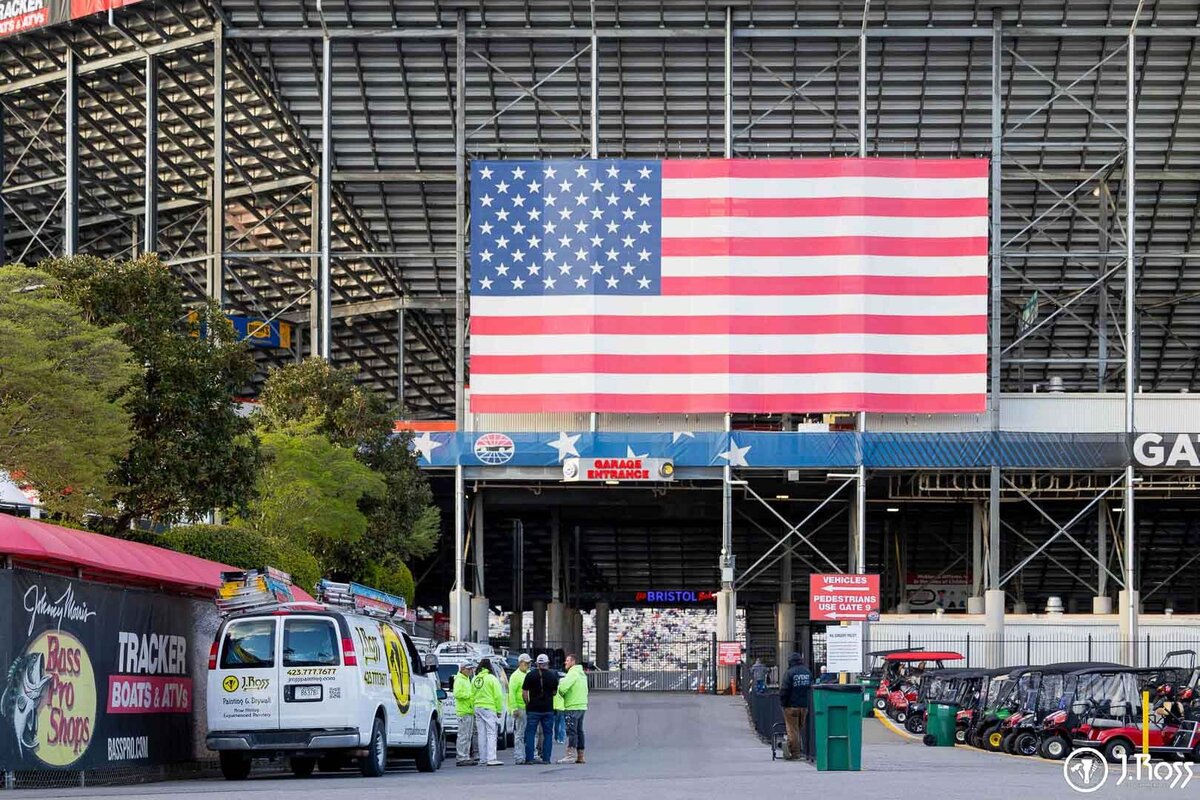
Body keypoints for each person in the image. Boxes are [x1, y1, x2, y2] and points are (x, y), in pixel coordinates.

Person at [523, 653, 559, 764]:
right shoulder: (553, 675)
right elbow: (554, 692)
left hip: (533, 709)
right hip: (548, 709)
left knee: (530, 733)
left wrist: (528, 703)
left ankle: (529, 758)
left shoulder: (530, 675)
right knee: (548, 734)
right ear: (547, 663)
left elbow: (524, 692)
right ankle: (546, 758)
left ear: (537, 664)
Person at [779, 651, 812, 761]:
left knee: (792, 731)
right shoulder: (807, 672)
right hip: (804, 706)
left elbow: (784, 690)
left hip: (791, 706)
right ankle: (803, 750)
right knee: (798, 728)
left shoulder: (789, 673)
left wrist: (783, 703)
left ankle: (794, 753)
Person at [557, 653, 589, 764]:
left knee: (571, 731)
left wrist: (560, 691)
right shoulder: (581, 674)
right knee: (579, 731)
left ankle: (569, 755)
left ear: (573, 662)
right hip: (581, 705)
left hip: (572, 705)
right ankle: (580, 756)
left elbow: (563, 687)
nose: (565, 662)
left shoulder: (572, 673)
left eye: (567, 660)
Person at [472, 658, 504, 767]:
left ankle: (483, 758)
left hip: (477, 707)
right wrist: (499, 710)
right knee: (491, 733)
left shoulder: (475, 679)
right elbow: (498, 695)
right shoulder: (492, 678)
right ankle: (492, 758)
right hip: (489, 708)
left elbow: (472, 694)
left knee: (481, 734)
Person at [452, 660, 478, 766]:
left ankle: (465, 756)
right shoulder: (459, 680)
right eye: (468, 669)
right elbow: (457, 693)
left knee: (467, 735)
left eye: (471, 669)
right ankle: (462, 756)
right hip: (463, 711)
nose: (470, 671)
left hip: (468, 710)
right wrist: (470, 695)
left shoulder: (466, 679)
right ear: (462, 669)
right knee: (463, 735)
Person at [509, 653, 531, 764]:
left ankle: (530, 755)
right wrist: (514, 708)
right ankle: (518, 756)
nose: (528, 665)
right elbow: (511, 693)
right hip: (520, 708)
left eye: (529, 663)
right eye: (526, 663)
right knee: (519, 734)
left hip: (529, 707)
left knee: (530, 733)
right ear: (520, 663)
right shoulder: (515, 676)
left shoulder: (529, 674)